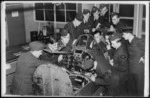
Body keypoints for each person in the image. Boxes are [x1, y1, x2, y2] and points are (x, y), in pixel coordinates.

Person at [122, 28, 145, 96]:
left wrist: (144, 57)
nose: (123, 36)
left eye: (123, 34)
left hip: (138, 71)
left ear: (128, 34)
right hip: (131, 70)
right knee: (133, 90)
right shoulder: (128, 42)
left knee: (140, 90)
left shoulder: (139, 41)